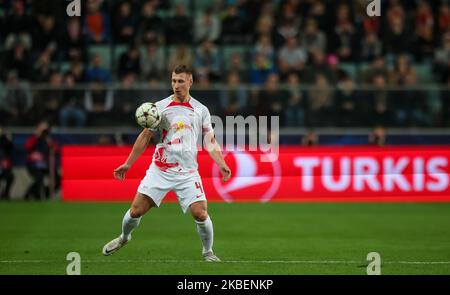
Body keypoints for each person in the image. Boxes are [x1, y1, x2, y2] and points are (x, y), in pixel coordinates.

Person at [102, 65, 231, 262]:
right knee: (136, 210)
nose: (176, 85)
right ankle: (124, 238)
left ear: (190, 82)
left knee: (201, 213)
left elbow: (210, 140)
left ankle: (208, 252)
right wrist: (128, 163)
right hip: (161, 170)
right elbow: (145, 137)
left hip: (187, 172)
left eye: (180, 81)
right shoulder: (159, 108)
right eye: (173, 81)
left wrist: (221, 163)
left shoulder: (201, 110)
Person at [24, 121, 60, 200]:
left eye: (45, 127)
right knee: (39, 179)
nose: (43, 130)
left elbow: (56, 149)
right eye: (41, 127)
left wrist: (49, 141)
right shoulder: (33, 138)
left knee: (58, 180)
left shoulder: (49, 138)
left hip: (46, 164)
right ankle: (30, 195)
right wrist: (37, 136)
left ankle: (46, 194)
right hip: (34, 165)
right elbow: (27, 147)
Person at [0, 126, 14, 200]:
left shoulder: (4, 140)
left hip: (3, 167)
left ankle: (5, 194)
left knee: (10, 177)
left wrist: (5, 138)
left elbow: (10, 148)